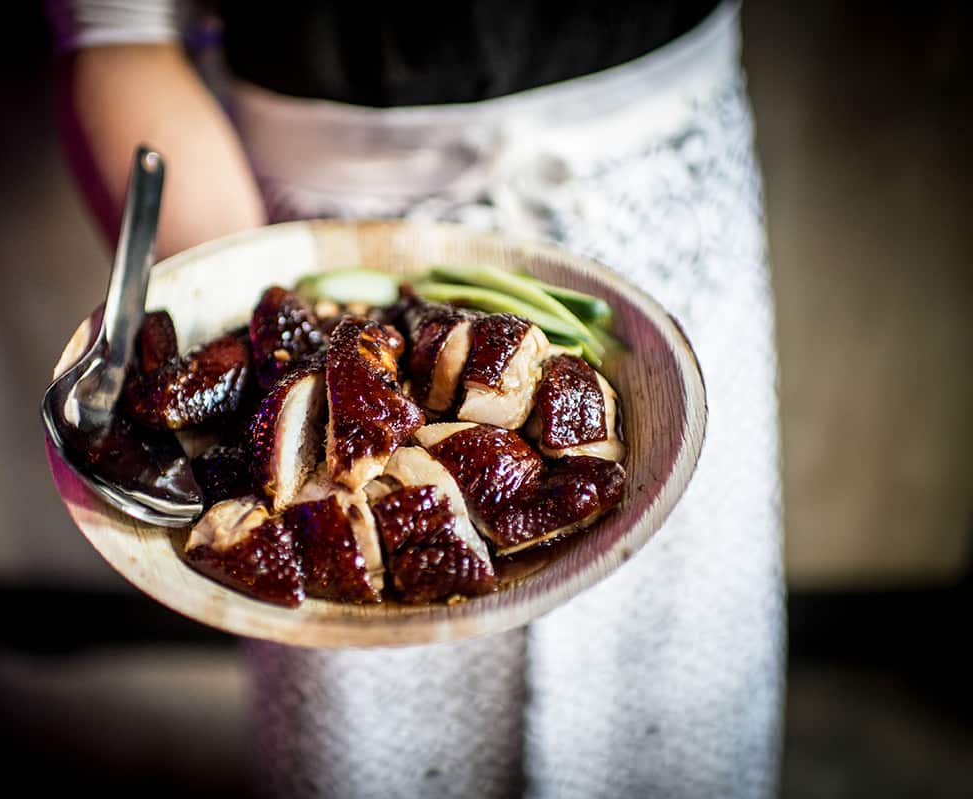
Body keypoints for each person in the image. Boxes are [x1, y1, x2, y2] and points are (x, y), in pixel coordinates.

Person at [47, 2, 785, 797]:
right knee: (375, 738)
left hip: (664, 211)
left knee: (674, 668)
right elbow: (121, 33)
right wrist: (256, 308)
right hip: (318, 230)